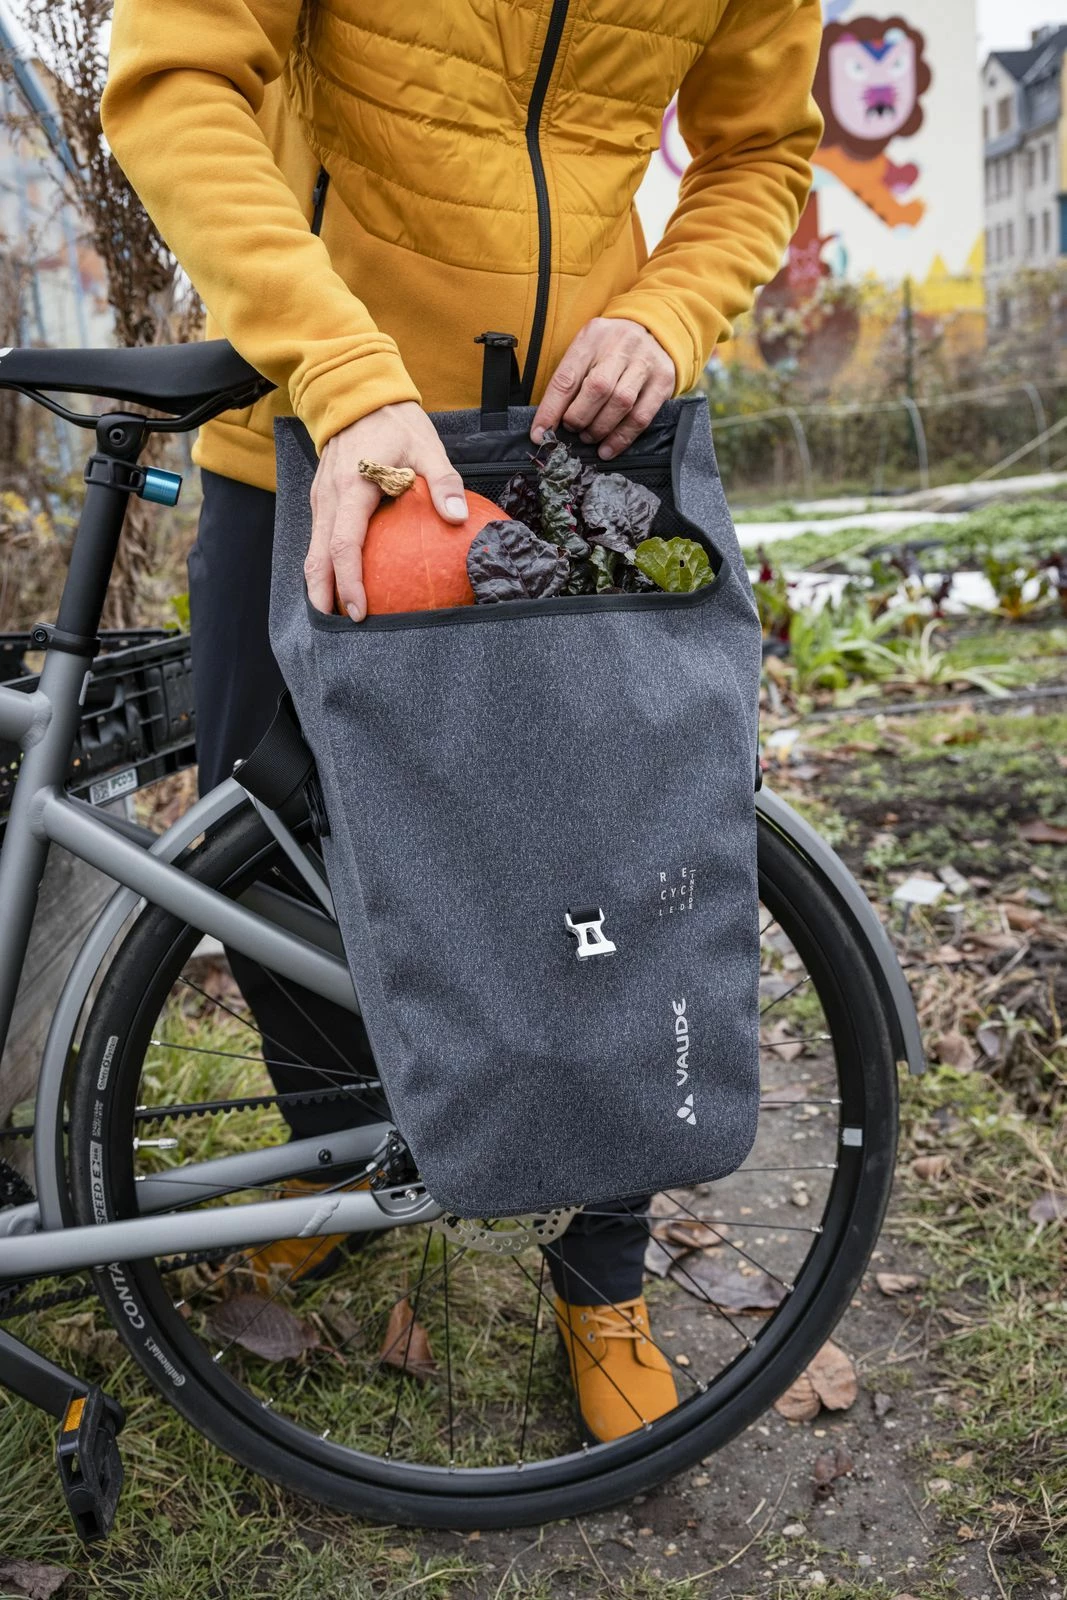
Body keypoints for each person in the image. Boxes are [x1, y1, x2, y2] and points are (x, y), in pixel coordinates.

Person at [103, 0, 823, 1444]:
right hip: (313, 423)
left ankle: (600, 1269)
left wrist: (666, 315)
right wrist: (341, 371)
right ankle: (346, 1163)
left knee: (613, 862)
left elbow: (761, 150)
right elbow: (175, 77)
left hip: (575, 445)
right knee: (271, 850)